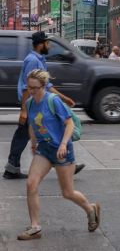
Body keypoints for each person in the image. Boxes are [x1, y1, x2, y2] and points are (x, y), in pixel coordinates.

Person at [17, 69, 99, 240]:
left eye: (34, 88)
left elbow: (69, 124)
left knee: (67, 192)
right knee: (31, 184)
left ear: (43, 86)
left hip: (62, 150)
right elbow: (32, 124)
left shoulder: (53, 101)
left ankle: (91, 209)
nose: (30, 91)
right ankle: (35, 228)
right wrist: (33, 143)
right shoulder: (31, 103)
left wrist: (63, 144)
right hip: (44, 149)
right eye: (28, 87)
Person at [4, 31, 84, 180]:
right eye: (47, 43)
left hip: (37, 101)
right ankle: (64, 164)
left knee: (29, 134)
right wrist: (24, 110)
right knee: (38, 133)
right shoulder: (33, 60)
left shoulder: (39, 59)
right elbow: (28, 86)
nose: (50, 45)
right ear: (41, 44)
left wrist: (64, 98)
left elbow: (46, 85)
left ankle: (12, 167)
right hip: (33, 103)